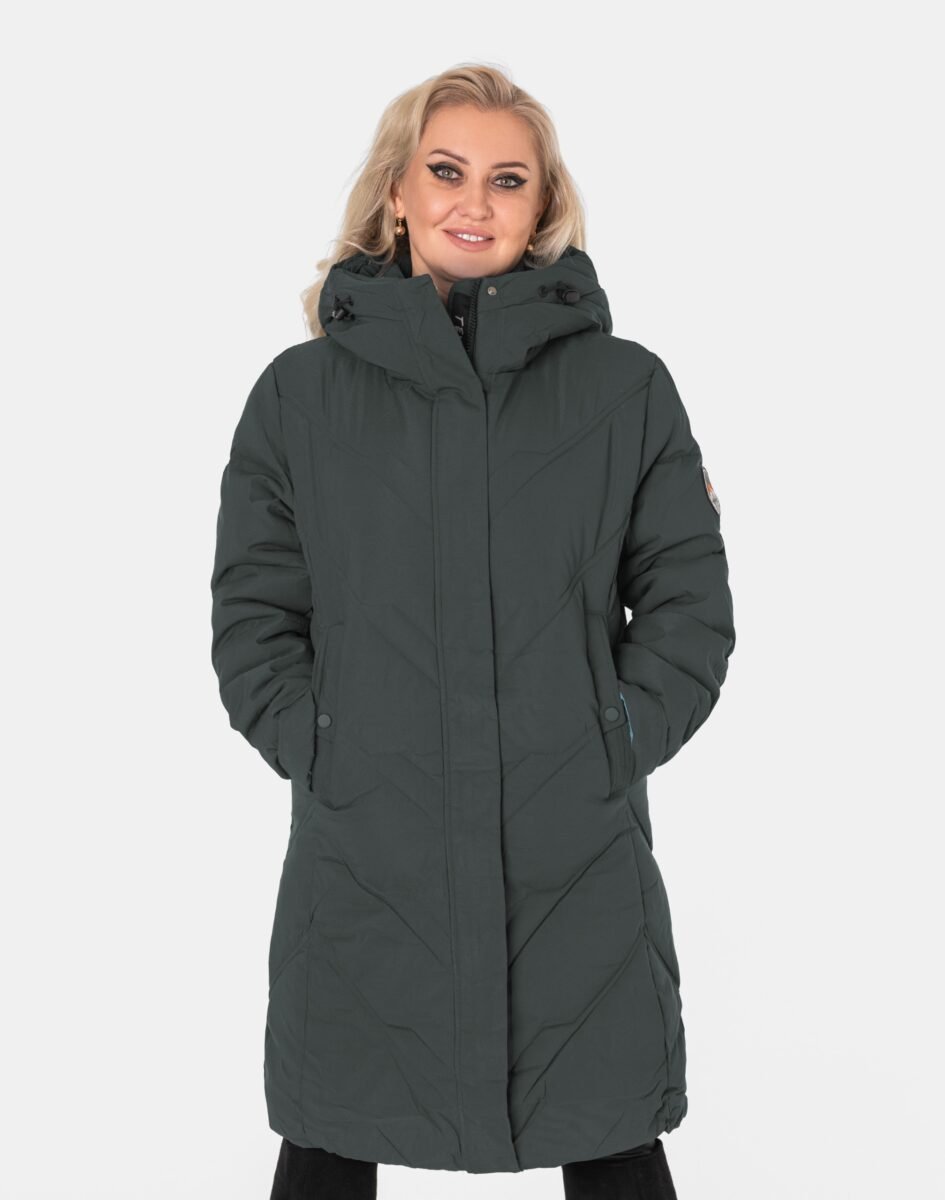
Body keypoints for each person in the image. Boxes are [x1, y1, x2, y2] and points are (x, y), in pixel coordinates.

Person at [210, 63, 735, 1199]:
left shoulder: (625, 391)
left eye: (508, 180)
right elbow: (255, 612)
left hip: (573, 842)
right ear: (397, 192)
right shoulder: (298, 398)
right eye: (446, 171)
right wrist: (324, 745)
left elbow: (688, 600)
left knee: (611, 1130)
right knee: (328, 1134)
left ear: (541, 208)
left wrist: (611, 735)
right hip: (367, 841)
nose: (474, 201)